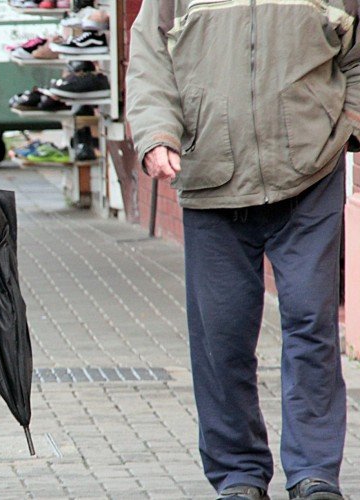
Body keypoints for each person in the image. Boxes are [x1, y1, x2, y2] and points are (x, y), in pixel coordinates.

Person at [126, 2, 360, 499]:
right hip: (211, 176)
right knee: (222, 340)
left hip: (311, 173)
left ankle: (314, 473)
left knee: (312, 327)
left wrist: (348, 122)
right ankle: (239, 474)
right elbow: (149, 59)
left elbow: (356, 53)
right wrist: (155, 134)